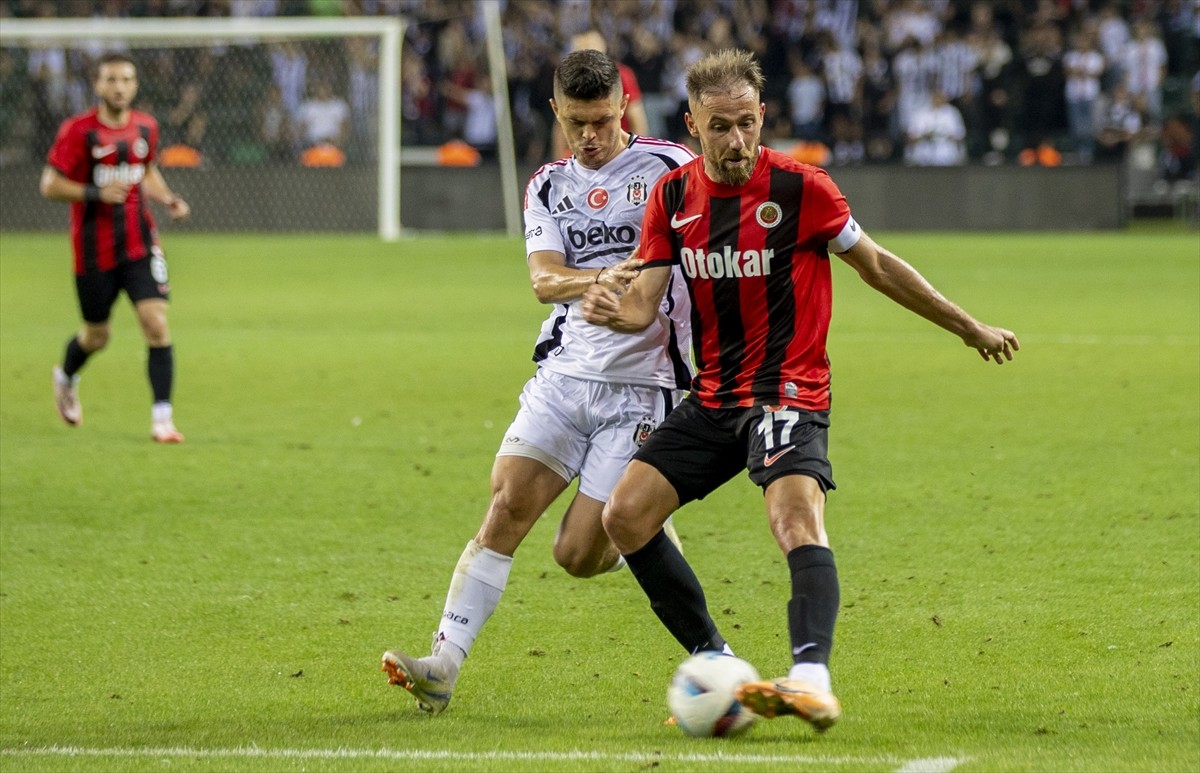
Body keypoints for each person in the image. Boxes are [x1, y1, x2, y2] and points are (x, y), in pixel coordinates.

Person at [581, 48, 1019, 733]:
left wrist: (968, 327)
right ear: (692, 125)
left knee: (793, 518)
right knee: (625, 516)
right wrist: (610, 306)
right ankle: (719, 668)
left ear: (762, 116)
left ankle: (812, 678)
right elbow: (643, 305)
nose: (736, 141)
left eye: (746, 124)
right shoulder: (670, 198)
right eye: (719, 127)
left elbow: (877, 267)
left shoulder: (802, 188)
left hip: (788, 387)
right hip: (715, 395)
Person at [380, 49, 696, 715]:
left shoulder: (671, 168)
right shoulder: (548, 185)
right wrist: (600, 277)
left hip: (644, 385)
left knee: (577, 554)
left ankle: (641, 529)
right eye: (576, 122)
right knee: (506, 507)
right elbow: (544, 279)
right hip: (564, 376)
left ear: (624, 108)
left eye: (603, 120)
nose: (591, 135)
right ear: (556, 111)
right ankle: (442, 665)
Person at [41, 51, 190, 443]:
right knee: (97, 337)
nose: (119, 87)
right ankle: (66, 377)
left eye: (126, 79)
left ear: (135, 85)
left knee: (156, 323)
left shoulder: (146, 127)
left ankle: (162, 419)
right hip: (94, 250)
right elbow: (50, 185)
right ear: (97, 85)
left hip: (139, 243)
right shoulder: (78, 131)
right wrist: (96, 192)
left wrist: (167, 198)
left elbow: (146, 170)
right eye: (111, 79)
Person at [550, 30, 651, 159]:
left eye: (590, 47)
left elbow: (637, 117)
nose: (586, 53)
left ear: (603, 48)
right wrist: (558, 160)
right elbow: (560, 124)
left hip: (615, 152)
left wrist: (637, 156)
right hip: (582, 154)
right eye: (580, 48)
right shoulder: (566, 79)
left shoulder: (620, 76)